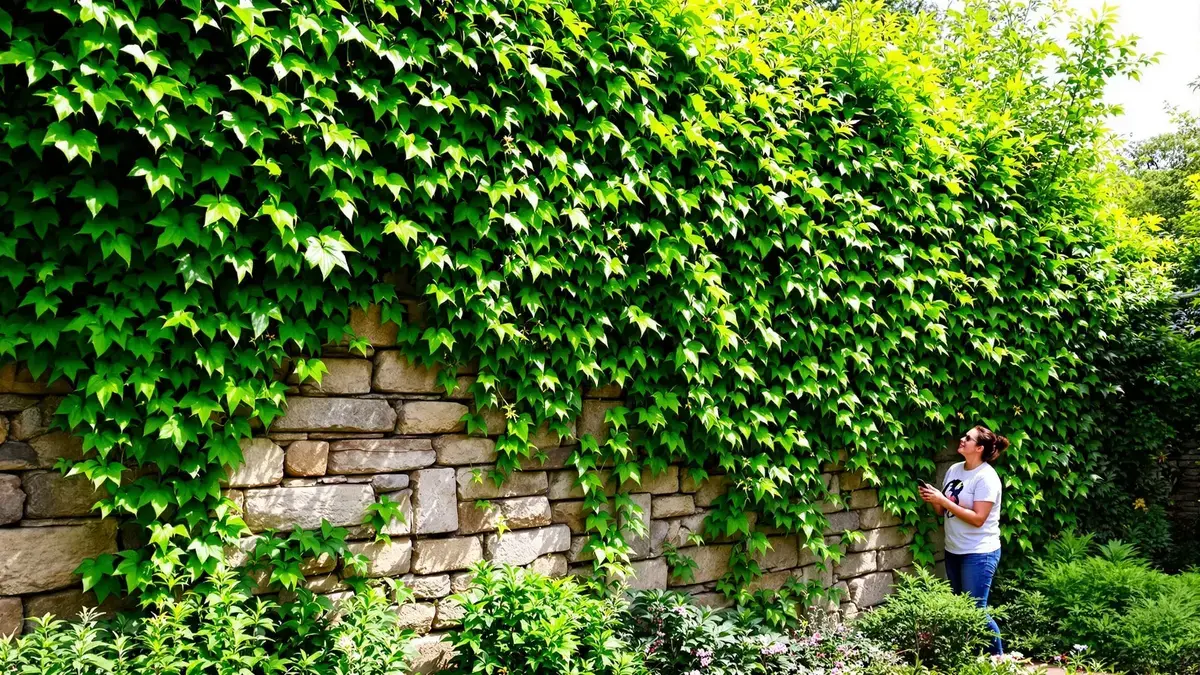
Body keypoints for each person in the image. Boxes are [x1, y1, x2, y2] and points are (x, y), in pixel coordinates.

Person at [919, 425, 1009, 656]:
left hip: (979, 552)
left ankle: (999, 662)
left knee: (976, 610)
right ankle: (971, 658)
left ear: (979, 448)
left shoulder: (987, 478)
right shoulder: (954, 469)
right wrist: (935, 499)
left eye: (967, 438)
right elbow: (943, 512)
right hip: (954, 549)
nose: (961, 439)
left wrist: (945, 501)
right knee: (961, 608)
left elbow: (979, 519)